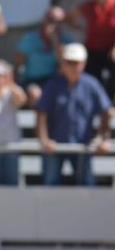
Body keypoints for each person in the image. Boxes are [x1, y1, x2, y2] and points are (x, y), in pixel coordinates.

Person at [36, 43, 112, 186]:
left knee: (87, 184)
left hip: (83, 146)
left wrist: (103, 137)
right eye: (68, 62)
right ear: (63, 64)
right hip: (55, 147)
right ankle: (49, 209)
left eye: (75, 63)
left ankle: (88, 209)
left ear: (83, 64)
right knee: (50, 184)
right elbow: (41, 113)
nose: (71, 66)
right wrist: (45, 140)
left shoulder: (91, 84)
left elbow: (106, 111)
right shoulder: (53, 85)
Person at [66, 0, 115, 97]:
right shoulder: (89, 6)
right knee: (91, 78)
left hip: (111, 50)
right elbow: (69, 17)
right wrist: (78, 28)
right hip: (93, 49)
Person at [14, 6, 70, 107]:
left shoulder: (66, 40)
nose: (53, 24)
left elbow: (65, 65)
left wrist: (55, 41)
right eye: (51, 20)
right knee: (35, 94)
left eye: (58, 21)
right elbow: (18, 63)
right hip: (32, 79)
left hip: (54, 79)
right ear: (44, 20)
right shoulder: (30, 38)